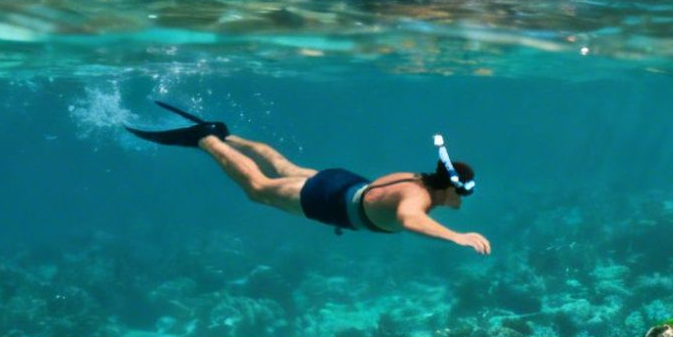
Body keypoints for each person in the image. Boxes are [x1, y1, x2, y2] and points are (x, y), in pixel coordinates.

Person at [126, 101, 491, 253]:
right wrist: (457, 238)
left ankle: (227, 135)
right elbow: (408, 219)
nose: (461, 205)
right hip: (331, 202)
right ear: (449, 191)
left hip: (343, 183)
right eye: (462, 197)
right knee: (259, 189)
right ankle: (205, 139)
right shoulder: (419, 199)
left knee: (284, 167)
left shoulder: (418, 177)